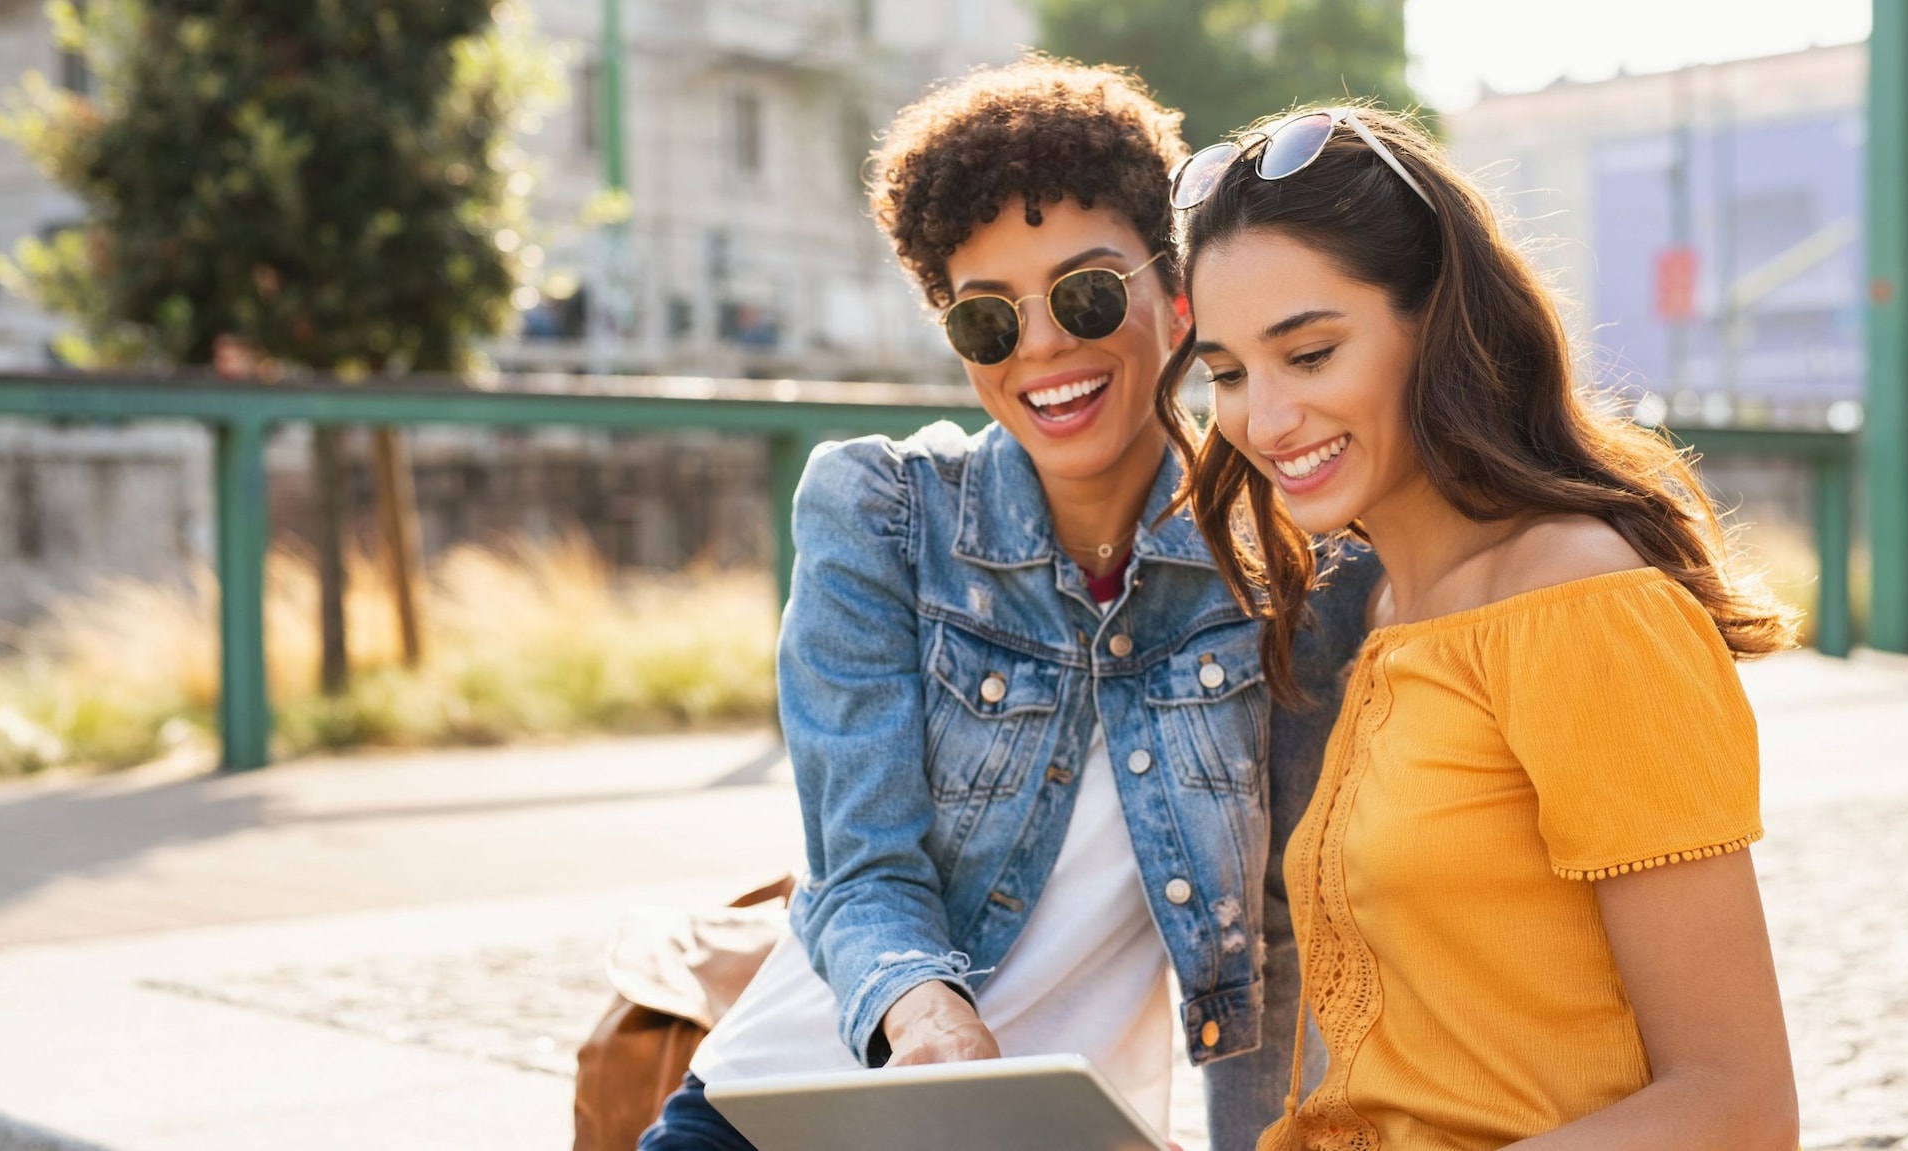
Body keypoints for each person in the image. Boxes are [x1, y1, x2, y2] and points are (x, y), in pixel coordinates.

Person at [636, 58, 1377, 1151]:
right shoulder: (875, 511)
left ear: (1176, 296)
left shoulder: (1296, 563)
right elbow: (860, 870)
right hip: (796, 1106)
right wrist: (926, 1018)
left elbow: (1279, 930)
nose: (1039, 345)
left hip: (1063, 1132)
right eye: (986, 319)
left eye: (1083, 293)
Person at [1159, 103, 1802, 1150]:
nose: (1262, 420)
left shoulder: (1582, 606)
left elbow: (1735, 1105)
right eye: (1227, 372)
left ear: (1436, 324)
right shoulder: (1371, 608)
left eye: (1309, 353)